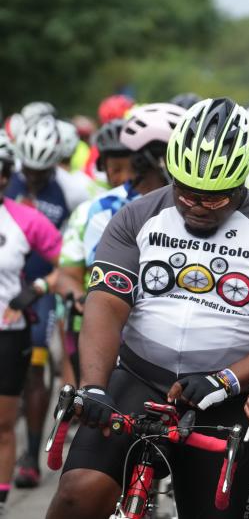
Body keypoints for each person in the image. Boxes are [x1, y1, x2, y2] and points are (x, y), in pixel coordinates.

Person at [46, 98, 249, 519]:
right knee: (77, 493)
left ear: (242, 181)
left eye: (214, 199)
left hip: (227, 393)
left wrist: (225, 380)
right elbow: (105, 303)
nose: (196, 205)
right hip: (140, 376)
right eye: (186, 192)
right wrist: (94, 385)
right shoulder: (137, 216)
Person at [56, 103, 185, 380]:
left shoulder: (195, 211)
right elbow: (69, 274)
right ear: (148, 161)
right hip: (110, 335)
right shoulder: (97, 210)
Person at [4, 116, 90, 489]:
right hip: (11, 279)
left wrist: (48, 285)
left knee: (37, 361)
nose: (34, 177)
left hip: (42, 287)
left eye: (43, 170)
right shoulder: (11, 178)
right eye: (29, 170)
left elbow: (73, 254)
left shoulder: (73, 190)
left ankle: (32, 454)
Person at [0, 134, 61, 516]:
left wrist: (37, 287)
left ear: (6, 177)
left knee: (3, 424)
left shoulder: (24, 219)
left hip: (8, 334)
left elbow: (70, 266)